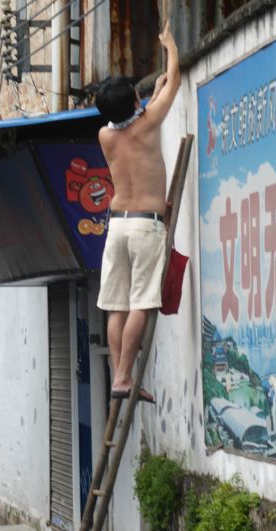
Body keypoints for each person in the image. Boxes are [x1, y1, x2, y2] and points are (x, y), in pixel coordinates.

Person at [95, 21, 180, 404]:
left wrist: (150, 96)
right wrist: (169, 45)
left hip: (117, 227)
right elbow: (176, 80)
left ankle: (119, 376)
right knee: (142, 304)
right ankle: (125, 377)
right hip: (147, 227)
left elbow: (132, 118)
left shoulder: (105, 135)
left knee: (116, 306)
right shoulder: (148, 124)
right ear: (133, 100)